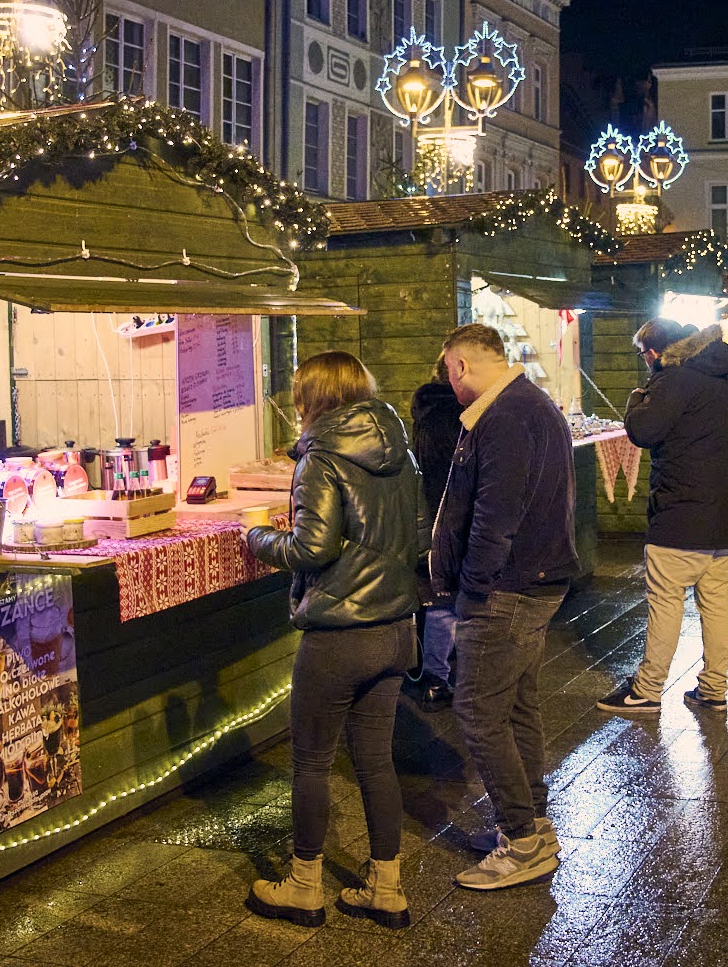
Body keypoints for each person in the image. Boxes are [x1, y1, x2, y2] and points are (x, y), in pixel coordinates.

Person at [243, 352, 424, 929]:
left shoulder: (321, 459)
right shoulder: (400, 449)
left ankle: (303, 886)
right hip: (396, 629)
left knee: (311, 763)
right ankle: (387, 888)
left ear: (311, 398)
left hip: (340, 635)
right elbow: (421, 534)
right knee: (375, 762)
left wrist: (255, 538)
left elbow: (310, 549)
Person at [432, 323, 578, 890]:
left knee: (477, 710)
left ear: (461, 366)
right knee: (516, 705)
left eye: (448, 371)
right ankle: (533, 823)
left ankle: (521, 840)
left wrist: (472, 589)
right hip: (527, 582)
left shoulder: (508, 415)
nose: (450, 383)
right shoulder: (523, 404)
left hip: (508, 588)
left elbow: (497, 514)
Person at [596, 319, 728, 717]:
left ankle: (646, 691)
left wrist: (636, 399)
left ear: (654, 352)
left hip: (682, 511)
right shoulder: (727, 375)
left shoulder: (673, 378)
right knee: (716, 601)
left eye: (643, 354)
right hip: (727, 511)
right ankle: (714, 689)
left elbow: (644, 431)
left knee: (665, 602)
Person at [407, 355, 463, 710]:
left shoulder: (423, 411)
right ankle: (448, 676)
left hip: (428, 512)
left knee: (440, 598)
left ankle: (434, 678)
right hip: (456, 510)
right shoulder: (461, 413)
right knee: (456, 600)